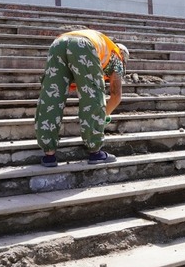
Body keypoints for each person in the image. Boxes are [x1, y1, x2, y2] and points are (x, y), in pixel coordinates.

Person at [35, 29, 129, 167]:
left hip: (58, 43)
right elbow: (116, 95)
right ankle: (95, 151)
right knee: (92, 96)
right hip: (83, 45)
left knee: (51, 96)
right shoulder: (117, 55)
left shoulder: (102, 46)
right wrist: (104, 115)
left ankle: (48, 154)